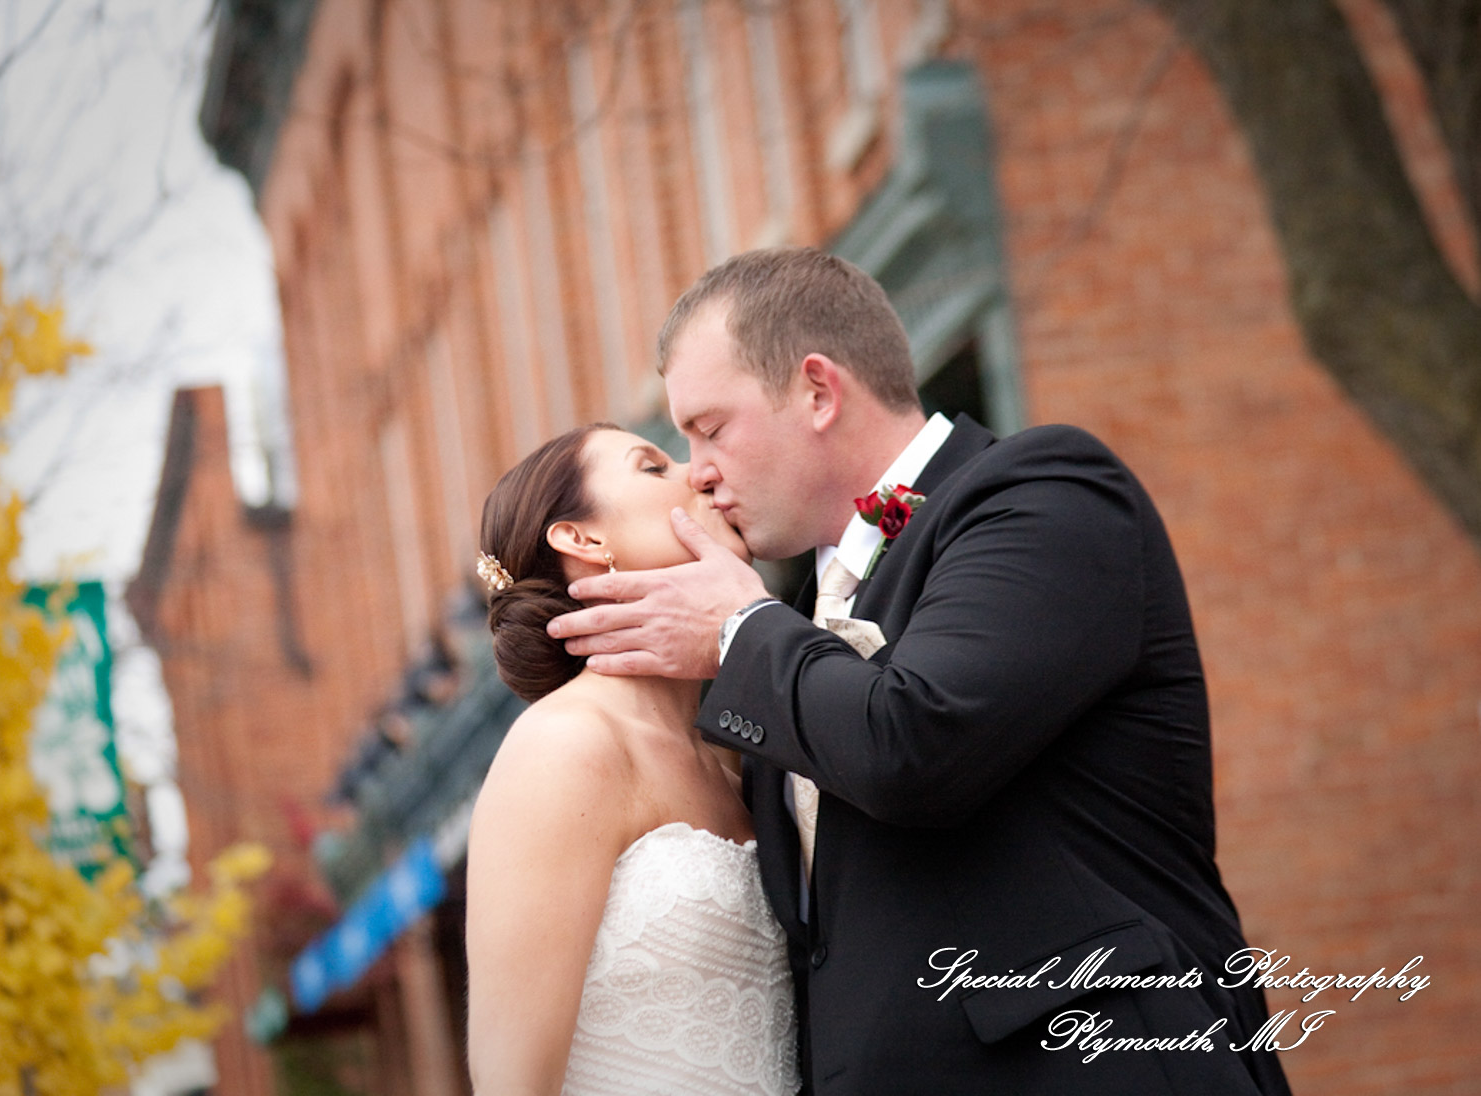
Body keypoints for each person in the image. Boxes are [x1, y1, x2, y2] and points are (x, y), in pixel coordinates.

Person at [549, 248, 1295, 1095]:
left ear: (819, 392)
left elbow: (917, 742)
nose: (698, 472)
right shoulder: (797, 620)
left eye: (711, 429)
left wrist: (737, 630)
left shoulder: (1045, 494)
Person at [464, 424, 799, 1096]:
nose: (699, 472)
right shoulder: (562, 746)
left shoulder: (737, 759)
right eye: (652, 466)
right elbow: (512, 1082)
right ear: (583, 540)